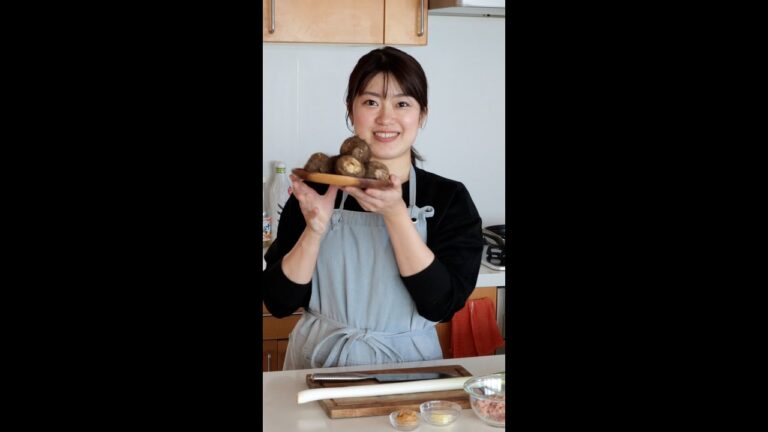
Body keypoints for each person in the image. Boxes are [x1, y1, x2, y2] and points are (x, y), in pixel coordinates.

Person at [263, 46, 483, 370]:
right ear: (351, 111)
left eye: (402, 103)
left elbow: (440, 305)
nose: (385, 118)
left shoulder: (449, 199)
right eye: (370, 102)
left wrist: (395, 215)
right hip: (316, 367)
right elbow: (279, 302)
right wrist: (315, 229)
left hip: (409, 372)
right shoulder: (316, 190)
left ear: (421, 114)